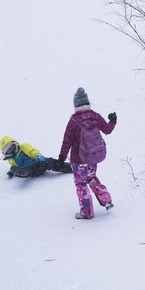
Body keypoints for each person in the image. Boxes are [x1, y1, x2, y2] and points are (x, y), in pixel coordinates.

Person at [58, 87, 117, 219]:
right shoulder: (95, 116)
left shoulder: (73, 121)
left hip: (78, 160)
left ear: (76, 105)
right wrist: (113, 121)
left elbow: (67, 141)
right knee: (91, 178)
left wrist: (61, 157)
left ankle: (87, 212)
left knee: (81, 184)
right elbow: (107, 130)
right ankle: (106, 200)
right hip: (93, 158)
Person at [0, 136, 71, 178]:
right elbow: (13, 165)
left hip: (38, 164)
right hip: (31, 170)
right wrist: (12, 171)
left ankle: (71, 167)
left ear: (15, 144)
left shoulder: (23, 147)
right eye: (9, 150)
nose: (12, 150)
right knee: (16, 168)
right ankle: (23, 172)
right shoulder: (11, 160)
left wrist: (38, 156)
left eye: (12, 147)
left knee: (49, 161)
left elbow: (32, 151)